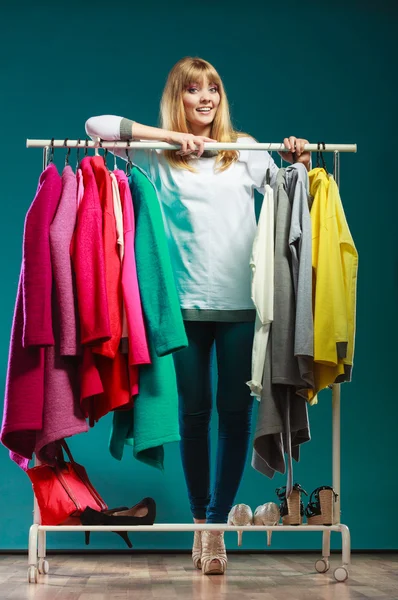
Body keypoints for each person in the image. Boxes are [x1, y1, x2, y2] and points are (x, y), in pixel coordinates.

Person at [85, 56, 310, 575]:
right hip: (182, 307)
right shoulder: (158, 155)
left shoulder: (245, 150)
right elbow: (96, 126)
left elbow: (289, 191)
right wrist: (168, 136)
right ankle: (199, 521)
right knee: (193, 415)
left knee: (235, 416)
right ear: (178, 98)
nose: (205, 97)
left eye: (213, 88)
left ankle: (216, 532)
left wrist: (294, 154)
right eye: (193, 90)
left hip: (239, 305)